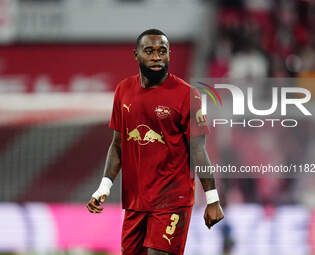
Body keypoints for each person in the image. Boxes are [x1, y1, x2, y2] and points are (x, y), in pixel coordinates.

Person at [87, 28, 224, 255]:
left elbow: (199, 151)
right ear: (136, 54)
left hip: (173, 199)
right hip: (135, 202)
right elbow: (118, 144)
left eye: (162, 51)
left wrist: (212, 199)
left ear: (170, 54)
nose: (156, 57)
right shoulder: (123, 91)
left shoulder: (187, 95)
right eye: (149, 51)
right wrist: (104, 186)